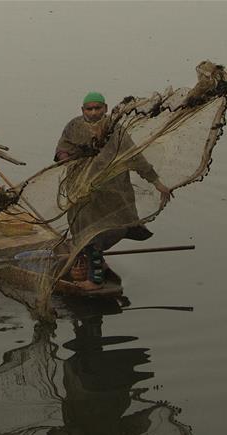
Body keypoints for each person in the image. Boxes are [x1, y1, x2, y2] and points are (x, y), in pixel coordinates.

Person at [54, 92, 172, 288]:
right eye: (89, 109)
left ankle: (95, 280)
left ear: (106, 108)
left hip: (112, 191)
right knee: (85, 232)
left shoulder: (115, 131)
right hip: (83, 191)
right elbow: (61, 149)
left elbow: (135, 158)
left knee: (102, 231)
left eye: (97, 108)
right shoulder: (73, 127)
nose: (93, 113)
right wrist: (66, 156)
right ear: (82, 110)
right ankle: (97, 263)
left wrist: (157, 183)